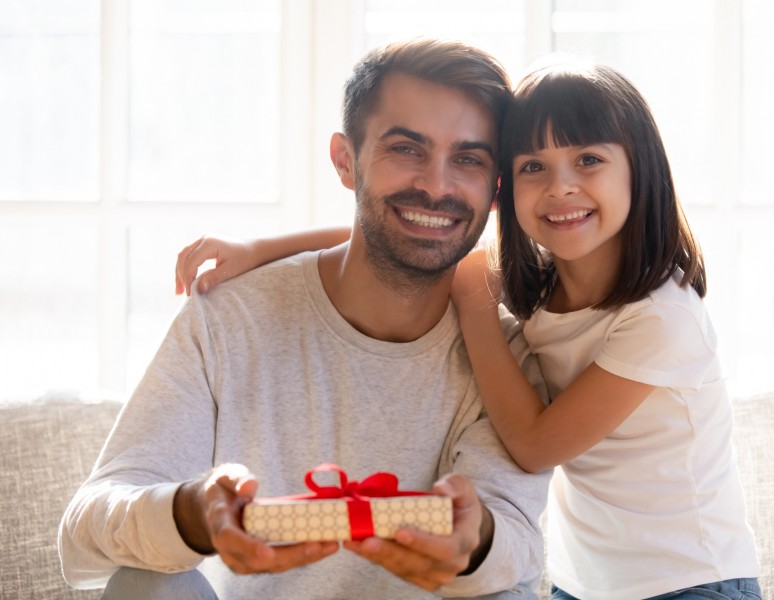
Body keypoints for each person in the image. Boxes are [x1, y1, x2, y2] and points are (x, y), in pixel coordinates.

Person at [175, 61, 763, 600]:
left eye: (588, 160)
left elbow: (535, 446)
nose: (561, 187)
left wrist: (477, 306)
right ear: (503, 193)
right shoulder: (542, 283)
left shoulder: (662, 317)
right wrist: (259, 249)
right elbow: (393, 230)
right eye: (534, 167)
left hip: (693, 581)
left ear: (640, 169)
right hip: (586, 584)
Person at [59, 38, 552, 600]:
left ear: (495, 192)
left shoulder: (505, 356)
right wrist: (194, 514)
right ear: (346, 161)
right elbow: (85, 535)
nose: (437, 186)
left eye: (467, 159)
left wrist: (478, 538)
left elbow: (517, 543)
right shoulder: (229, 316)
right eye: (406, 149)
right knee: (143, 583)